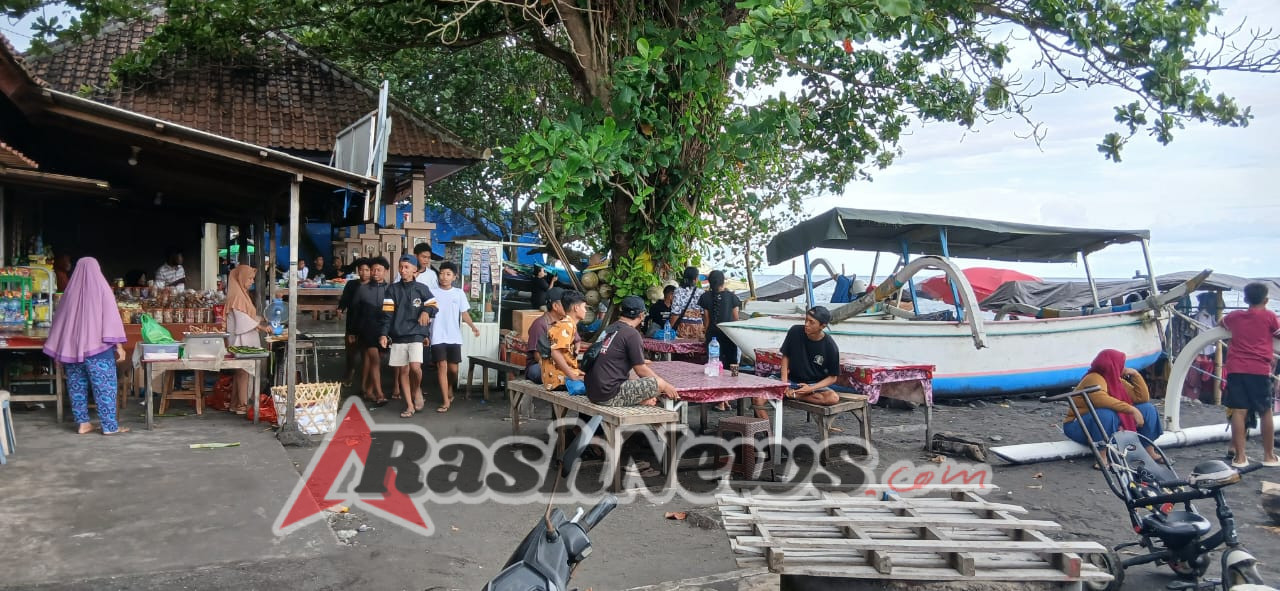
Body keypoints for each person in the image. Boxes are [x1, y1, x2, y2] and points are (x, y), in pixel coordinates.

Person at [42, 257, 129, 435]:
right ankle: (109, 427)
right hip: (99, 349)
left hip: (73, 351)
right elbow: (111, 319)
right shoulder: (103, 289)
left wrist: (59, 351)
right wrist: (119, 346)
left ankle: (83, 424)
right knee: (104, 387)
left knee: (77, 387)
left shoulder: (69, 293)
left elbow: (60, 322)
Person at [1062, 349, 1163, 463]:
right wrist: (1131, 409)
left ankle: (1149, 451)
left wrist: (1135, 375)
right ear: (1112, 364)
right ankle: (1102, 456)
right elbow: (1100, 400)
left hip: (1107, 425)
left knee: (1147, 408)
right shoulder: (1093, 377)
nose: (1123, 366)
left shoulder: (1116, 380)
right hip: (1079, 426)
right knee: (1105, 414)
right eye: (1120, 363)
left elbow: (1141, 398)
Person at [1220, 282, 1280, 468]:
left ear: (1245, 299)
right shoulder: (1270, 317)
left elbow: (1220, 323)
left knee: (1239, 411)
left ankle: (1240, 457)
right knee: (1265, 411)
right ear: (1266, 300)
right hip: (1259, 370)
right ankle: (1269, 456)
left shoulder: (1235, 317)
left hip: (1236, 369)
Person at [586, 296, 681, 406]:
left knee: (633, 375)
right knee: (658, 383)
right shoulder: (632, 334)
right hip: (608, 395)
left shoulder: (610, 328)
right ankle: (642, 401)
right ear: (641, 315)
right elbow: (641, 370)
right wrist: (665, 386)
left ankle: (641, 400)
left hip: (592, 391)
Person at [754, 306, 841, 419]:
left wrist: (811, 388)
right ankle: (769, 435)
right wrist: (784, 383)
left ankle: (795, 395)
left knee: (833, 398)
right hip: (789, 379)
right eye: (806, 320)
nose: (806, 324)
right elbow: (785, 357)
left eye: (811, 322)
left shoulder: (830, 346)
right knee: (757, 398)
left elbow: (833, 377)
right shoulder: (795, 331)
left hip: (812, 384)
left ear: (822, 326)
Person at [380, 255, 437, 419]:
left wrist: (426, 311)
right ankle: (409, 405)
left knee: (415, 368)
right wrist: (384, 334)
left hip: (417, 333)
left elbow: (434, 305)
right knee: (403, 371)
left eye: (406, 267)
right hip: (398, 335)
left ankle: (416, 389)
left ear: (414, 270)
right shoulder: (392, 289)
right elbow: (387, 315)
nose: (403, 270)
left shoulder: (422, 288)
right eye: (401, 267)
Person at [430, 261, 480, 413]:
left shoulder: (458, 293)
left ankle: (449, 386)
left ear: (454, 277)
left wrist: (473, 326)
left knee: (453, 370)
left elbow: (464, 313)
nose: (443, 277)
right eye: (441, 273)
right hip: (437, 335)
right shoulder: (431, 292)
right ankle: (445, 400)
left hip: (454, 336)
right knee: (441, 366)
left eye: (448, 274)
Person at [225, 265, 271, 415]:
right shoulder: (238, 295)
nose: (252, 281)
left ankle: (237, 404)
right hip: (240, 340)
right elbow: (242, 320)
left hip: (244, 338)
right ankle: (242, 405)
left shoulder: (241, 294)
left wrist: (262, 319)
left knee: (242, 372)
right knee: (243, 372)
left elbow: (249, 317)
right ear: (241, 278)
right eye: (250, 278)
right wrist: (262, 327)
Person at [353, 257, 392, 406]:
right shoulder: (362, 289)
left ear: (386, 271)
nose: (375, 273)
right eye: (373, 270)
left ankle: (369, 391)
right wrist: (352, 331)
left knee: (378, 359)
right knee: (374, 359)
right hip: (367, 328)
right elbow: (355, 311)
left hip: (384, 329)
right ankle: (380, 394)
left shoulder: (390, 289)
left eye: (379, 270)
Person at [541, 290, 587, 393]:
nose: (586, 311)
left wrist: (575, 371)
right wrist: (573, 376)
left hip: (555, 376)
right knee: (596, 386)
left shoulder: (566, 323)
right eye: (584, 307)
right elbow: (555, 352)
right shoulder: (566, 325)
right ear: (576, 308)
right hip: (557, 380)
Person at [337, 258, 372, 386]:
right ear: (358, 271)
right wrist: (340, 308)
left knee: (366, 352)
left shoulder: (374, 285)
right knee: (351, 351)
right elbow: (345, 299)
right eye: (361, 270)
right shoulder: (352, 284)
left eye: (367, 270)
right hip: (353, 320)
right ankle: (349, 372)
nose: (364, 273)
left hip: (368, 322)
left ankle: (366, 379)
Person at [525, 286, 566, 383]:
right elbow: (537, 356)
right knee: (537, 371)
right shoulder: (539, 324)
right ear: (555, 306)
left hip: (560, 363)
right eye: (565, 303)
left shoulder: (565, 323)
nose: (569, 307)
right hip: (539, 365)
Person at [671, 266, 705, 340]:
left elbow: (675, 313)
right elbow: (703, 313)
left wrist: (671, 330)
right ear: (695, 279)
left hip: (682, 330)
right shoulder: (701, 292)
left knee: (680, 350)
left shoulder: (678, 291)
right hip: (697, 330)